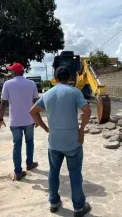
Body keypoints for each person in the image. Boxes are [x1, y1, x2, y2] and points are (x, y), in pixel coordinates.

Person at [30, 66, 92, 217]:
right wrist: (82, 129)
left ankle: (53, 202)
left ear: (55, 79)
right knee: (75, 173)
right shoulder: (74, 92)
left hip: (54, 142)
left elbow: (33, 112)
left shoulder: (47, 94)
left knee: (53, 172)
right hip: (72, 140)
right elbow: (87, 110)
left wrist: (46, 129)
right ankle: (78, 207)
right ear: (70, 78)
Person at [0, 63, 39, 181]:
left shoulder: (8, 84)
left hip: (15, 121)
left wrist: (1, 119)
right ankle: (30, 163)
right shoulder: (31, 84)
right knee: (30, 141)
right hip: (29, 120)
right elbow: (37, 102)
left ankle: (18, 172)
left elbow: (4, 103)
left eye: (11, 71)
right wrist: (37, 118)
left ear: (15, 72)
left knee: (17, 145)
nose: (10, 73)